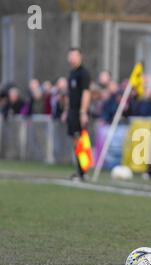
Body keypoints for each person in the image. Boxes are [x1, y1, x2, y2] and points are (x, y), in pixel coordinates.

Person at [62, 48, 91, 181]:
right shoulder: (71, 73)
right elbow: (69, 94)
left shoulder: (83, 73)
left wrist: (83, 112)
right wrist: (66, 111)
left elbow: (86, 93)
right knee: (75, 141)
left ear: (80, 57)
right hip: (72, 111)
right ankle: (79, 171)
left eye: (74, 56)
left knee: (80, 141)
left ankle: (83, 171)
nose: (71, 59)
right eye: (70, 56)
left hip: (79, 111)